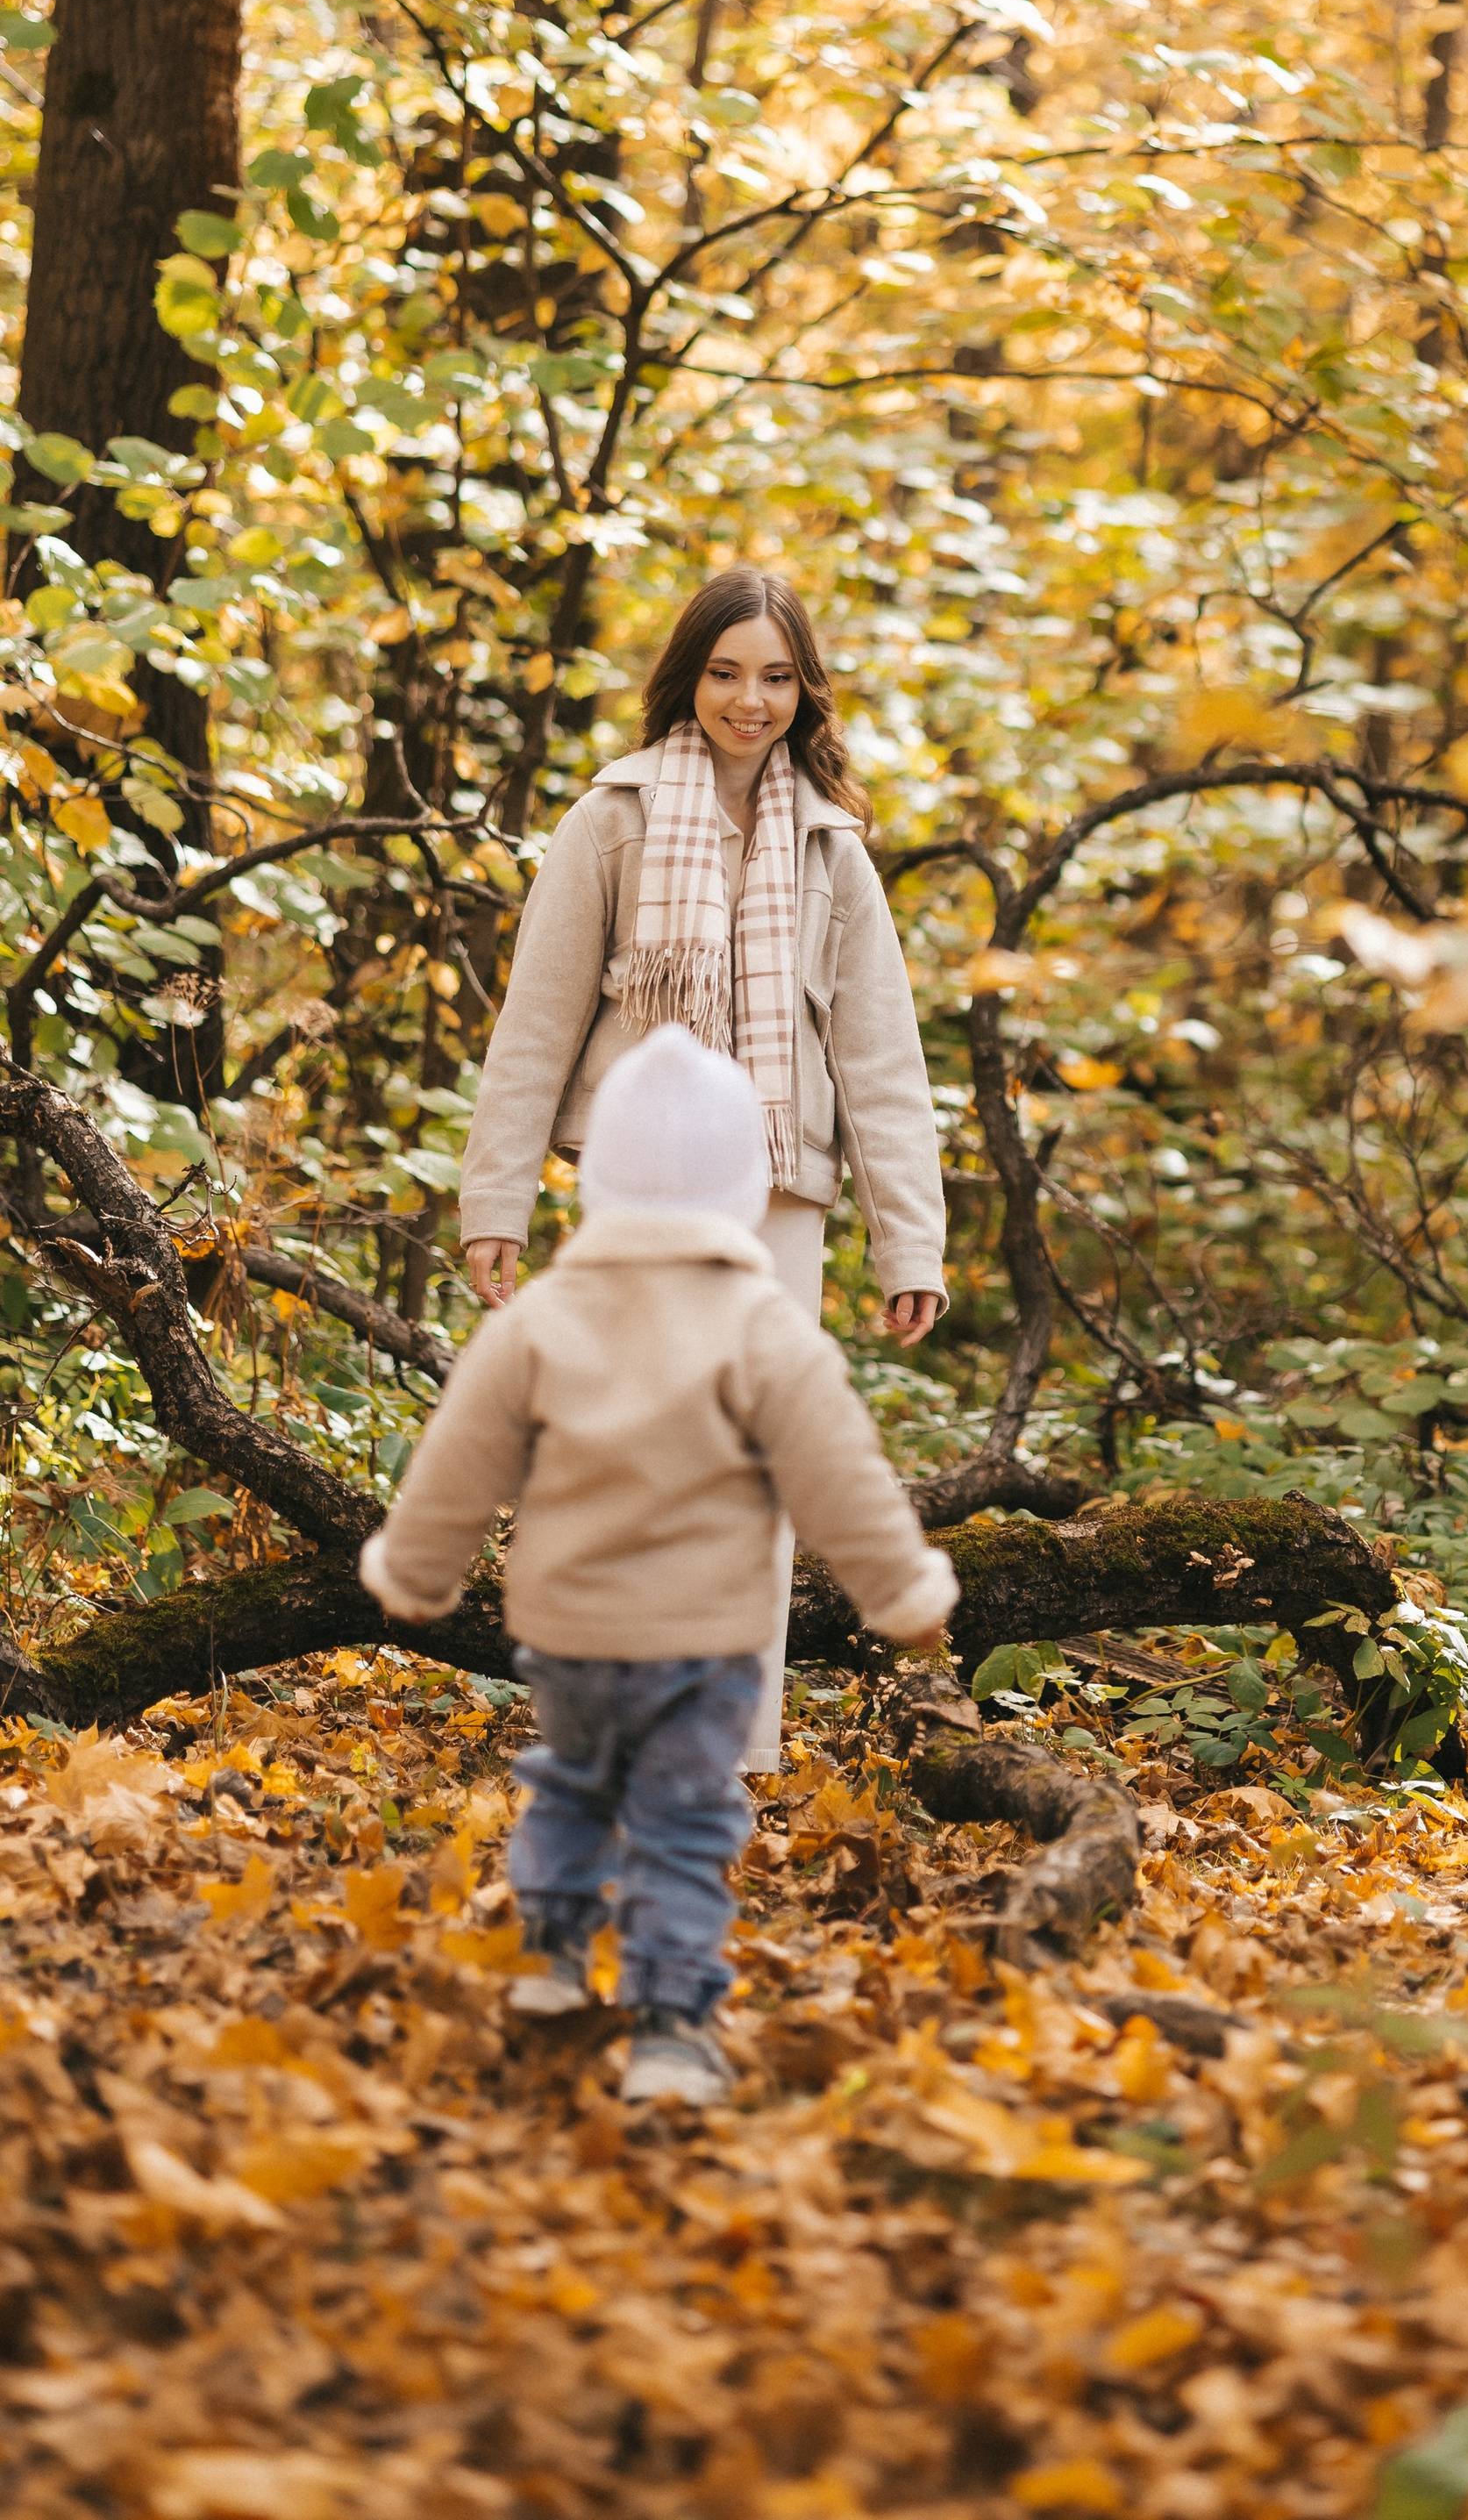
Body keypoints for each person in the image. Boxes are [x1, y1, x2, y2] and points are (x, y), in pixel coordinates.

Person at [361, 1025, 958, 2107]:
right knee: (684, 1823)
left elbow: (457, 1465)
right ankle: (672, 2029)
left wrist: (414, 1572)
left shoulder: (540, 1320)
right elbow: (844, 1484)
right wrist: (900, 1594)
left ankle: (549, 1951)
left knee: (573, 1782)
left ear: (601, 1184)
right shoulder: (761, 1327)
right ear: (742, 1189)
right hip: (706, 1644)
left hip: (572, 1634)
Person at [455, 564, 947, 1769]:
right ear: (691, 678)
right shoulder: (610, 819)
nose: (750, 699)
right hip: (638, 1190)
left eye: (776, 676)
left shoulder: (834, 852)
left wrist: (911, 1241)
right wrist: (496, 1201)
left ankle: (737, 1739)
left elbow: (882, 1059)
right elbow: (538, 1023)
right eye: (727, 672)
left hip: (782, 1190)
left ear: (803, 690)